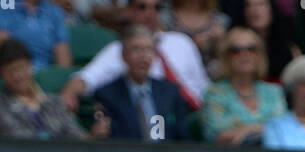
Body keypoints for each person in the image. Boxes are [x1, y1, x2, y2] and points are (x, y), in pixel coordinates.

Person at [60, 0, 210, 112]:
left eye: (156, 8)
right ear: (129, 11)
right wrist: (69, 93)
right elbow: (86, 78)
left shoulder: (181, 41)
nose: (149, 13)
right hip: (160, 117)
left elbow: (204, 86)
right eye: (142, 7)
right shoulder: (118, 50)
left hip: (196, 114)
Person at [94, 27, 192, 139]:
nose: (143, 56)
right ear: (124, 55)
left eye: (148, 49)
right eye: (136, 49)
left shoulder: (170, 91)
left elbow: (182, 135)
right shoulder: (107, 94)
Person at [201, 26, 285, 142]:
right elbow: (217, 137)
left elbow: (283, 131)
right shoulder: (214, 94)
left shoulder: (274, 92)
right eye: (235, 50)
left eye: (251, 49)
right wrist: (261, 129)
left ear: (259, 55)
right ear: (226, 57)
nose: (244, 54)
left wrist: (248, 130)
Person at [0, 37, 89, 138]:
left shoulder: (54, 102)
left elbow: (77, 135)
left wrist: (93, 137)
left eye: (21, 67)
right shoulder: (2, 107)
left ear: (30, 66)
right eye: (10, 71)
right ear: (2, 74)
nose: (17, 76)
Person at [227, 0, 298, 82]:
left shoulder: (288, 47)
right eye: (248, 5)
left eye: (261, 4)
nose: (254, 10)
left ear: (271, 9)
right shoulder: (232, 43)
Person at [0, 0, 70, 71]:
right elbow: (4, 42)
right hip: (15, 70)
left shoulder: (53, 11)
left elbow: (63, 56)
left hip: (45, 72)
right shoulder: (4, 6)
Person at [171, 0, 228, 77]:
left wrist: (220, 41)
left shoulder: (220, 19)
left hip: (213, 76)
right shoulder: (167, 17)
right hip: (177, 74)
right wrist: (193, 45)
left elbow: (228, 55)